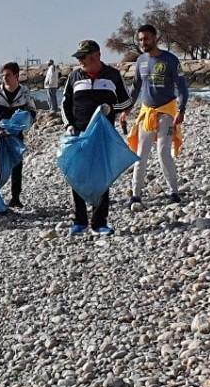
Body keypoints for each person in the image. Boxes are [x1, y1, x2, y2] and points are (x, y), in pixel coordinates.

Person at [62, 40, 133, 235]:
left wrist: (111, 108)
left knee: (101, 177)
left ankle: (99, 222)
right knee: (77, 175)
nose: (80, 61)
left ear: (96, 56)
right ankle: (80, 220)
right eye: (79, 57)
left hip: (103, 135)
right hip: (78, 134)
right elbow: (65, 104)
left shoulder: (113, 75)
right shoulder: (74, 76)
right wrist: (68, 126)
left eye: (83, 57)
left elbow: (126, 102)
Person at [120, 24, 189, 208]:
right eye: (140, 40)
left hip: (166, 112)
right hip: (147, 113)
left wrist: (181, 110)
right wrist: (126, 110)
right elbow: (135, 88)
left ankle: (174, 192)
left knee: (163, 153)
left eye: (146, 39)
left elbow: (182, 87)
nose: (143, 42)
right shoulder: (140, 61)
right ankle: (136, 195)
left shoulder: (170, 60)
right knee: (140, 155)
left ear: (155, 38)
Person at [0, 62, 37, 208]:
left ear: (16, 76)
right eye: (3, 76)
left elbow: (32, 112)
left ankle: (15, 198)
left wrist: (23, 123)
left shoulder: (24, 92)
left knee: (17, 165)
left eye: (8, 75)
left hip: (16, 136)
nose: (5, 78)